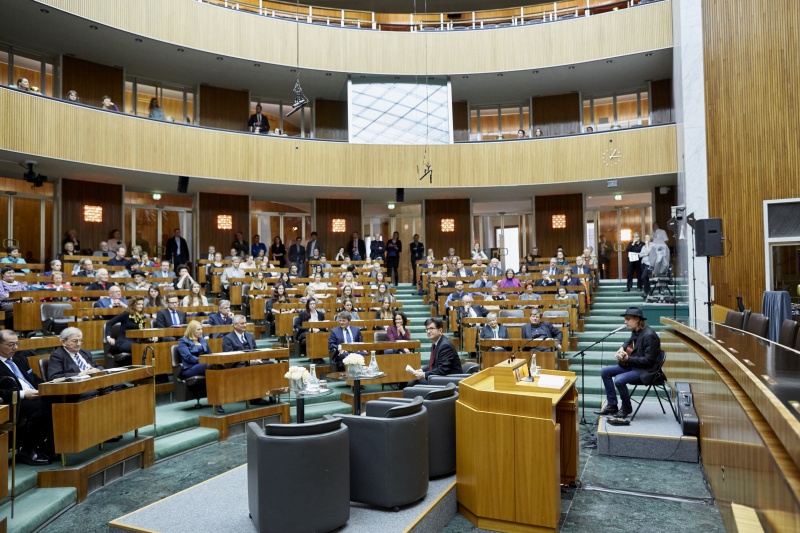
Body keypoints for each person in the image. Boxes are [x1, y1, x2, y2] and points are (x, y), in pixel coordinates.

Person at [0, 329, 55, 465]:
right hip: (13, 402)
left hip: (34, 395)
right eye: (11, 345)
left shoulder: (19, 358)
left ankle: (48, 448)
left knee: (57, 401)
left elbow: (34, 378)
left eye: (17, 343)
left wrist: (47, 387)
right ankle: (27, 450)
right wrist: (24, 394)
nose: (16, 348)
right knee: (43, 407)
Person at [594, 307, 661, 418]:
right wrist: (622, 348)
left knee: (619, 380)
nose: (625, 322)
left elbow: (649, 361)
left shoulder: (649, 335)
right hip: (634, 365)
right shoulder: (637, 331)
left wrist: (627, 359)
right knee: (605, 371)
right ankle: (612, 405)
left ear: (637, 319)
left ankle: (626, 407)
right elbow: (629, 341)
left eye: (628, 319)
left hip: (646, 370)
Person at [177, 321, 225, 414]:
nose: (201, 331)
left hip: (206, 365)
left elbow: (210, 354)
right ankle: (217, 402)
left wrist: (209, 360)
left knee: (216, 366)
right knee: (211, 365)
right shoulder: (183, 341)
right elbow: (188, 357)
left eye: (201, 329)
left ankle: (217, 400)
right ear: (191, 330)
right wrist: (204, 360)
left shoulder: (202, 340)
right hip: (190, 369)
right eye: (198, 329)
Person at [409, 317, 462, 386]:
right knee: (413, 382)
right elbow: (433, 364)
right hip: (439, 377)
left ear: (440, 331)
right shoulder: (436, 343)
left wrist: (424, 374)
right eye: (427, 329)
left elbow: (443, 369)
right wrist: (421, 370)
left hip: (449, 381)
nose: (428, 331)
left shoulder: (445, 346)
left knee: (413, 384)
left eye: (431, 328)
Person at [105, 296, 155, 360]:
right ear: (133, 305)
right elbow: (109, 323)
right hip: (122, 342)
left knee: (149, 347)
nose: (141, 306)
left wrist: (151, 337)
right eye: (138, 304)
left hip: (135, 341)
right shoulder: (126, 314)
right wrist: (108, 337)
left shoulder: (141, 317)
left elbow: (141, 333)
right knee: (138, 348)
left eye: (142, 304)